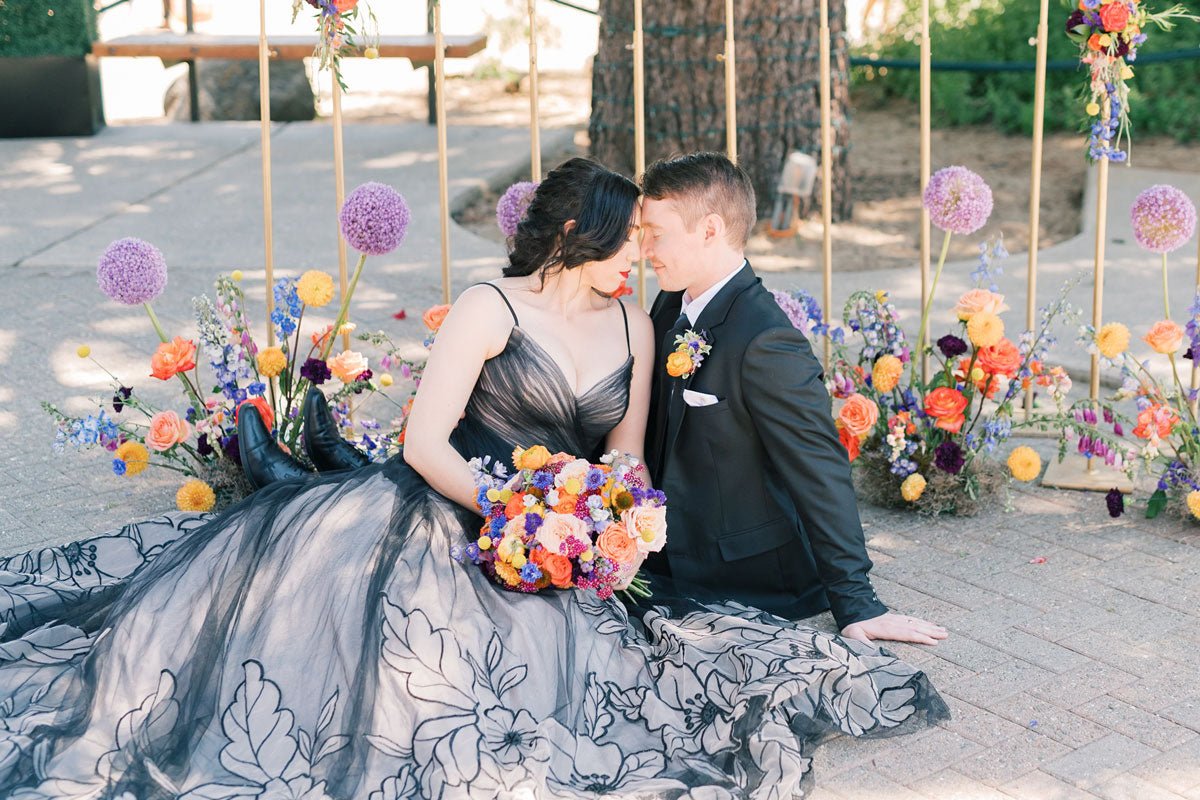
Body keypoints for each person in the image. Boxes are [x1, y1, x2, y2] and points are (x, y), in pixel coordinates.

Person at [0, 158, 946, 799]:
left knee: (575, 676)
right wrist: (513, 508)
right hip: (451, 504)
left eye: (649, 244)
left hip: (556, 530)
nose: (641, 259)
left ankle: (300, 463)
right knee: (374, 654)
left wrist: (606, 509)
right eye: (629, 244)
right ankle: (304, 479)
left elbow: (624, 444)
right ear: (580, 235)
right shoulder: (491, 308)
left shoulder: (642, 322)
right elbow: (424, 444)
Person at [641, 152, 949, 647]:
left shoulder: (765, 340)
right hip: (664, 555)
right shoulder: (670, 303)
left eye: (657, 233)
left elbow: (819, 468)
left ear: (710, 229)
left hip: (744, 575)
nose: (644, 249)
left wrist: (854, 600)